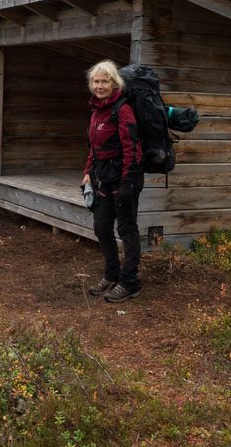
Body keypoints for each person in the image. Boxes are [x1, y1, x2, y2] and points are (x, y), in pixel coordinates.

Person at [81, 59, 143, 303]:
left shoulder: (122, 109)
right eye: (96, 81)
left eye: (104, 81)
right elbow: (94, 146)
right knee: (102, 227)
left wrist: (128, 182)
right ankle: (111, 275)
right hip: (103, 178)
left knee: (126, 229)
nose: (99, 85)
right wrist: (88, 171)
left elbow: (132, 148)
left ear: (114, 83)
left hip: (125, 178)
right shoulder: (97, 110)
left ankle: (130, 282)